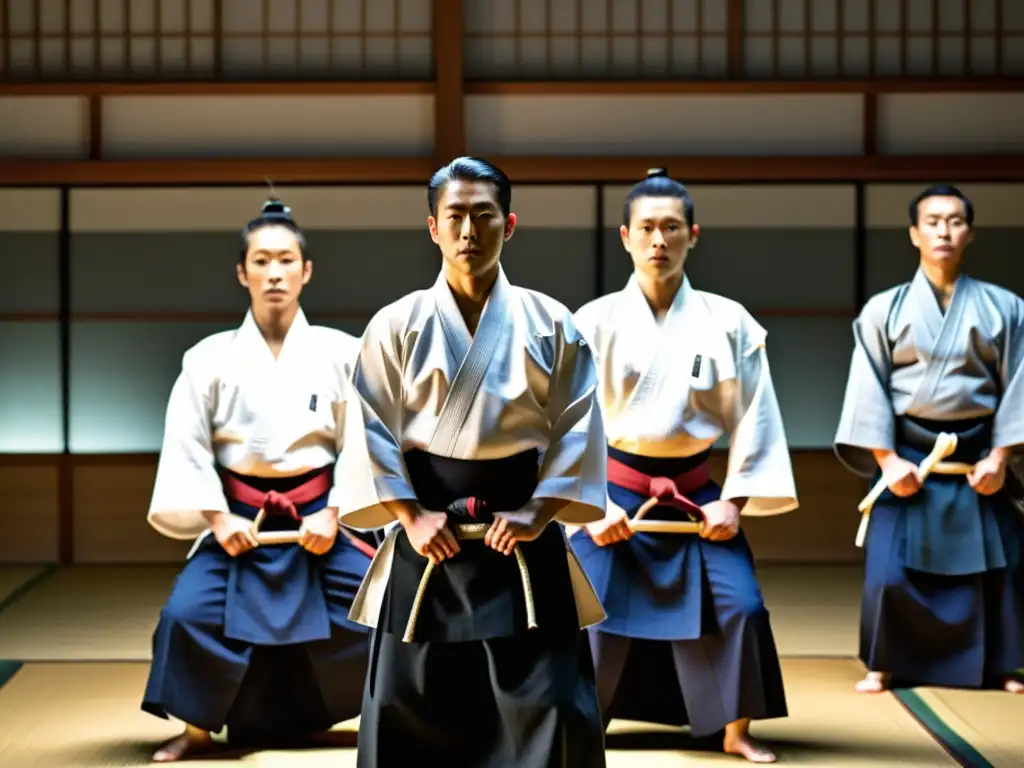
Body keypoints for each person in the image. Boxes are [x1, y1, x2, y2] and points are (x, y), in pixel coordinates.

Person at [333, 157, 609, 768]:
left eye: (483, 216)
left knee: (554, 705)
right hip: (429, 532)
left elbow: (578, 424)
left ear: (508, 224)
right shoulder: (395, 324)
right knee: (405, 704)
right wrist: (408, 516)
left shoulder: (551, 323)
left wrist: (539, 511)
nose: (468, 232)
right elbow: (370, 428)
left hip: (523, 534)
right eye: (454, 216)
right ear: (432, 227)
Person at [571, 169, 797, 764]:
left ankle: (735, 730)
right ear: (624, 236)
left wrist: (736, 502)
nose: (658, 241)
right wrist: (591, 506)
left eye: (672, 228)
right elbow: (565, 425)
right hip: (613, 496)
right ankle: (575, 724)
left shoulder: (729, 322)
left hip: (696, 499)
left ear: (693, 235)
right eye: (646, 228)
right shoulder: (591, 323)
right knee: (579, 608)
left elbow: (757, 417)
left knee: (742, 607)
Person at [141, 198, 377, 762]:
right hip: (239, 525)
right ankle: (196, 733)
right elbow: (187, 445)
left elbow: (364, 443)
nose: (275, 273)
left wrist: (337, 510)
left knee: (382, 611)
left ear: (306, 270)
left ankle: (381, 723)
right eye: (263, 261)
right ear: (242, 273)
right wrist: (219, 517)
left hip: (320, 521)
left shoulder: (343, 353)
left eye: (287, 260)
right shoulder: (207, 359)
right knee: (186, 616)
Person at [834, 183, 1024, 696]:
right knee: (888, 574)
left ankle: (1001, 665)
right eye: (933, 221)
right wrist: (888, 459)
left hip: (978, 457)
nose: (944, 230)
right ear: (914, 234)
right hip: (908, 459)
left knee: (1002, 564)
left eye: (956, 220)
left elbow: (1019, 384)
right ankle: (884, 662)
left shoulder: (1007, 308)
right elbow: (867, 386)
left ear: (971, 232)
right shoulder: (884, 310)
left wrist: (1002, 456)